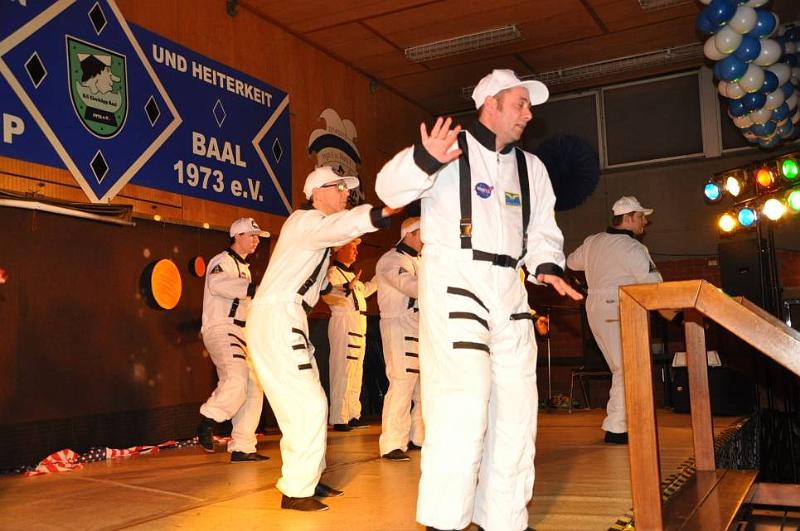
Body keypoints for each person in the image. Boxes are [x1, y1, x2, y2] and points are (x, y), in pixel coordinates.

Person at [375, 69, 583, 531]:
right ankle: (444, 521)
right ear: (491, 104)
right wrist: (422, 159)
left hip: (510, 288)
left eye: (529, 107)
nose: (528, 114)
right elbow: (388, 189)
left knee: (516, 411)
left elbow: (543, 231)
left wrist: (547, 265)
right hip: (457, 279)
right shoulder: (448, 151)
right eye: (520, 104)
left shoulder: (532, 168)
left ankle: (505, 519)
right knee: (462, 402)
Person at [246, 166, 396, 512]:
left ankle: (307, 478)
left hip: (284, 317)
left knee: (304, 403)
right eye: (338, 187)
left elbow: (313, 276)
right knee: (308, 404)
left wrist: (334, 288)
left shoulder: (309, 230)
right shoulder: (306, 221)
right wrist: (380, 214)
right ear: (316, 192)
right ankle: (297, 489)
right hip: (279, 317)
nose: (346, 193)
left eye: (347, 188)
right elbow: (341, 226)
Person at [566, 196, 663, 445]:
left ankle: (622, 424)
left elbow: (571, 262)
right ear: (628, 218)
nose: (645, 222)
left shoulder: (593, 241)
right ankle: (617, 428)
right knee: (626, 368)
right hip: (619, 306)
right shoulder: (633, 248)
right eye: (641, 217)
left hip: (594, 308)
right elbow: (654, 284)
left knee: (621, 367)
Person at [196, 217, 270, 463]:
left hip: (241, 333)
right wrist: (252, 289)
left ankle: (243, 446)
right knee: (236, 377)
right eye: (252, 235)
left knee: (254, 387)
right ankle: (208, 420)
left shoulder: (244, 268)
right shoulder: (222, 261)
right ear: (237, 235)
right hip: (222, 327)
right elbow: (217, 284)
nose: (256, 240)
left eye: (258, 236)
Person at [376, 217, 425, 462]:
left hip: (420, 327)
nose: (426, 238)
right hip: (398, 325)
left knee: (423, 387)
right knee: (402, 382)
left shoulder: (420, 261)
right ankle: (392, 442)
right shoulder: (391, 260)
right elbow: (411, 286)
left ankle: (418, 437)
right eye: (422, 233)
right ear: (409, 234)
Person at [322, 238, 377, 432]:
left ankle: (353, 414)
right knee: (343, 370)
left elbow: (364, 290)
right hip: (344, 323)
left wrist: (380, 278)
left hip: (358, 325)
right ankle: (339, 417)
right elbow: (328, 295)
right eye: (352, 248)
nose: (356, 252)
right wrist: (346, 288)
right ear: (340, 249)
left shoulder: (353, 276)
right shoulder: (333, 273)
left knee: (356, 372)